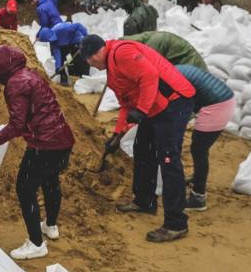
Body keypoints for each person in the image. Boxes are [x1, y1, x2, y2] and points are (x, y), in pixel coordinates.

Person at [80, 34, 195, 243]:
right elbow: (126, 104)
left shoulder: (121, 52)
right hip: (154, 106)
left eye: (89, 59)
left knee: (168, 159)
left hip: (174, 102)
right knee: (142, 149)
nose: (89, 63)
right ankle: (144, 201)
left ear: (98, 52)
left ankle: (176, 223)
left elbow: (149, 76)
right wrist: (117, 133)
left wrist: (141, 110)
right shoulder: (112, 71)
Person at [0, 45, 75, 259]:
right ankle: (50, 226)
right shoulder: (29, 74)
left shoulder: (15, 84)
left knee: (24, 189)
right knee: (51, 181)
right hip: (62, 139)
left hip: (44, 144)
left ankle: (36, 243)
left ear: (2, 67)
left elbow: (16, 124)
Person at [175, 64, 235, 211]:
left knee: (199, 149)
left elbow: (180, 104)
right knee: (200, 146)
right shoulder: (175, 69)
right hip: (221, 100)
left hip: (217, 106)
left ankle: (198, 197)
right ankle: (196, 179)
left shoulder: (172, 78)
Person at [121, 31, 207, 71]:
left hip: (193, 68)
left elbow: (150, 70)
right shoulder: (147, 38)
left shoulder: (153, 43)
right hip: (189, 66)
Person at [37, 21, 90, 86]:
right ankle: (64, 78)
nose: (52, 41)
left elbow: (78, 25)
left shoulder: (63, 29)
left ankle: (85, 77)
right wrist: (58, 67)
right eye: (50, 40)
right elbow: (57, 53)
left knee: (80, 58)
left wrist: (86, 38)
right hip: (63, 44)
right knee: (62, 59)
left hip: (75, 40)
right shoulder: (53, 42)